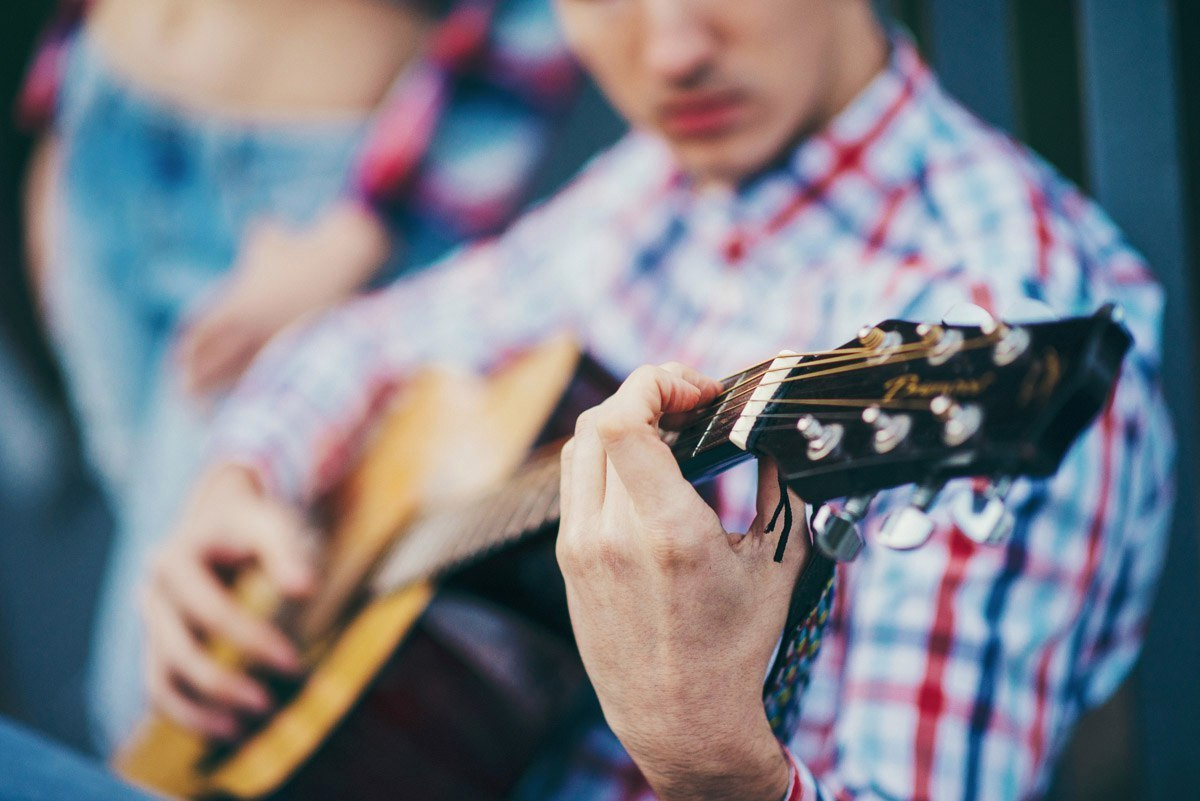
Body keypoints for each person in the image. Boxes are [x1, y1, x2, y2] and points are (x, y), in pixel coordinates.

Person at [1, 0, 1172, 798]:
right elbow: (360, 342)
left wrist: (717, 764)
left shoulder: (994, 311)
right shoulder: (661, 185)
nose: (668, 52)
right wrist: (239, 476)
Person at [19, 0, 579, 749]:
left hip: (314, 204)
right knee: (155, 566)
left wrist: (360, 233)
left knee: (163, 701)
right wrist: (64, 91)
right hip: (105, 123)